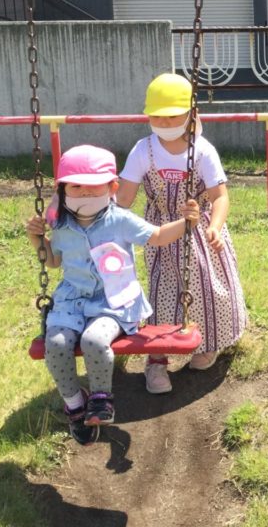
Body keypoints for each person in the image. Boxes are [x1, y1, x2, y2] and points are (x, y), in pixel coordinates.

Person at [26, 144, 198, 446]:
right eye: (76, 187)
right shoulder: (62, 225)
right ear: (62, 190)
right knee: (55, 344)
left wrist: (187, 224)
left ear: (112, 187)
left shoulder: (119, 219)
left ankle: (102, 399)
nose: (84, 195)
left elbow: (156, 237)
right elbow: (53, 261)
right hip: (72, 301)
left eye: (94, 188)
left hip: (113, 302)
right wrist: (36, 237)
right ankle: (75, 404)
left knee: (94, 340)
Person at [118, 73, 247, 395]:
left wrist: (215, 226)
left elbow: (220, 196)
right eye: (156, 116)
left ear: (190, 113)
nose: (164, 122)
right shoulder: (142, 150)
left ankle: (207, 345)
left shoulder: (202, 151)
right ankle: (157, 360)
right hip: (161, 231)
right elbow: (124, 197)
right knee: (162, 293)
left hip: (200, 232)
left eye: (172, 116)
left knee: (207, 289)